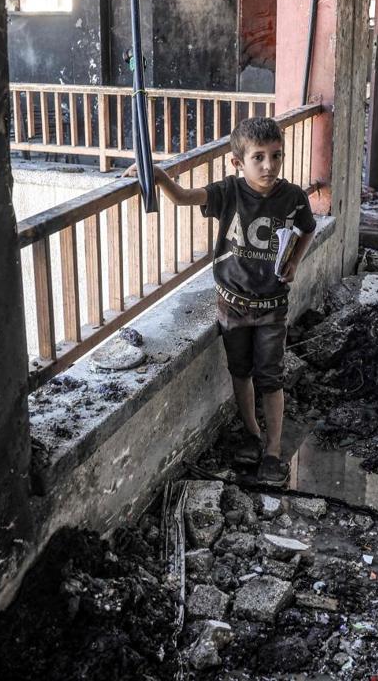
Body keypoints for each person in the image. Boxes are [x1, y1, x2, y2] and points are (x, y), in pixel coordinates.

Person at [125, 116, 316, 484]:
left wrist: (294, 260)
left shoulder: (292, 197)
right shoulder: (228, 192)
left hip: (272, 307)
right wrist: (156, 174)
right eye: (258, 157)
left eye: (276, 156)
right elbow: (183, 197)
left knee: (271, 378)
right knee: (240, 373)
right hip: (231, 306)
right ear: (237, 163)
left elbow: (308, 229)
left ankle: (274, 451)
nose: (269, 166)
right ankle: (252, 434)